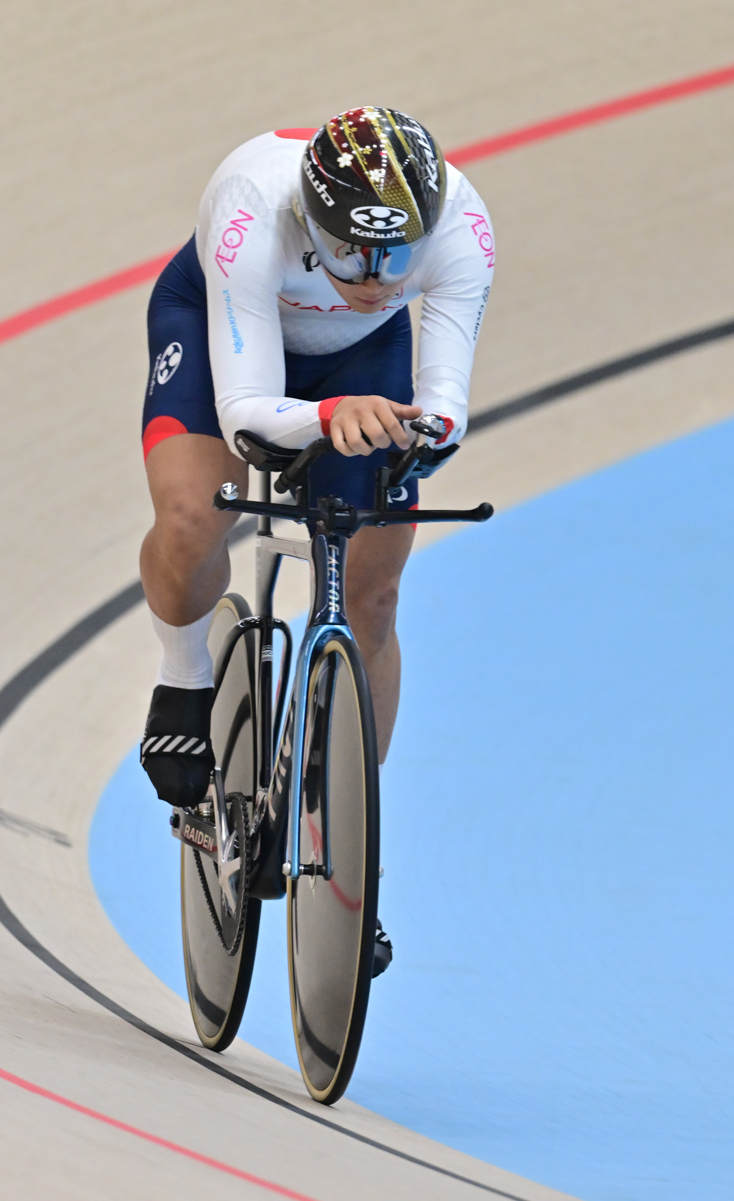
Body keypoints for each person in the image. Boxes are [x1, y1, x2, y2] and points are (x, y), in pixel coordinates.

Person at [137, 107, 494, 970]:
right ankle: (183, 680)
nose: (375, 278)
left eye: (395, 257)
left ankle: (350, 861)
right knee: (196, 515)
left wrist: (422, 429)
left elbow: (446, 399)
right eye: (352, 253)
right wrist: (330, 417)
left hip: (363, 365)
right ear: (312, 219)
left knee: (373, 592)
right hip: (226, 337)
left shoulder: (462, 229)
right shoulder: (252, 206)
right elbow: (248, 410)